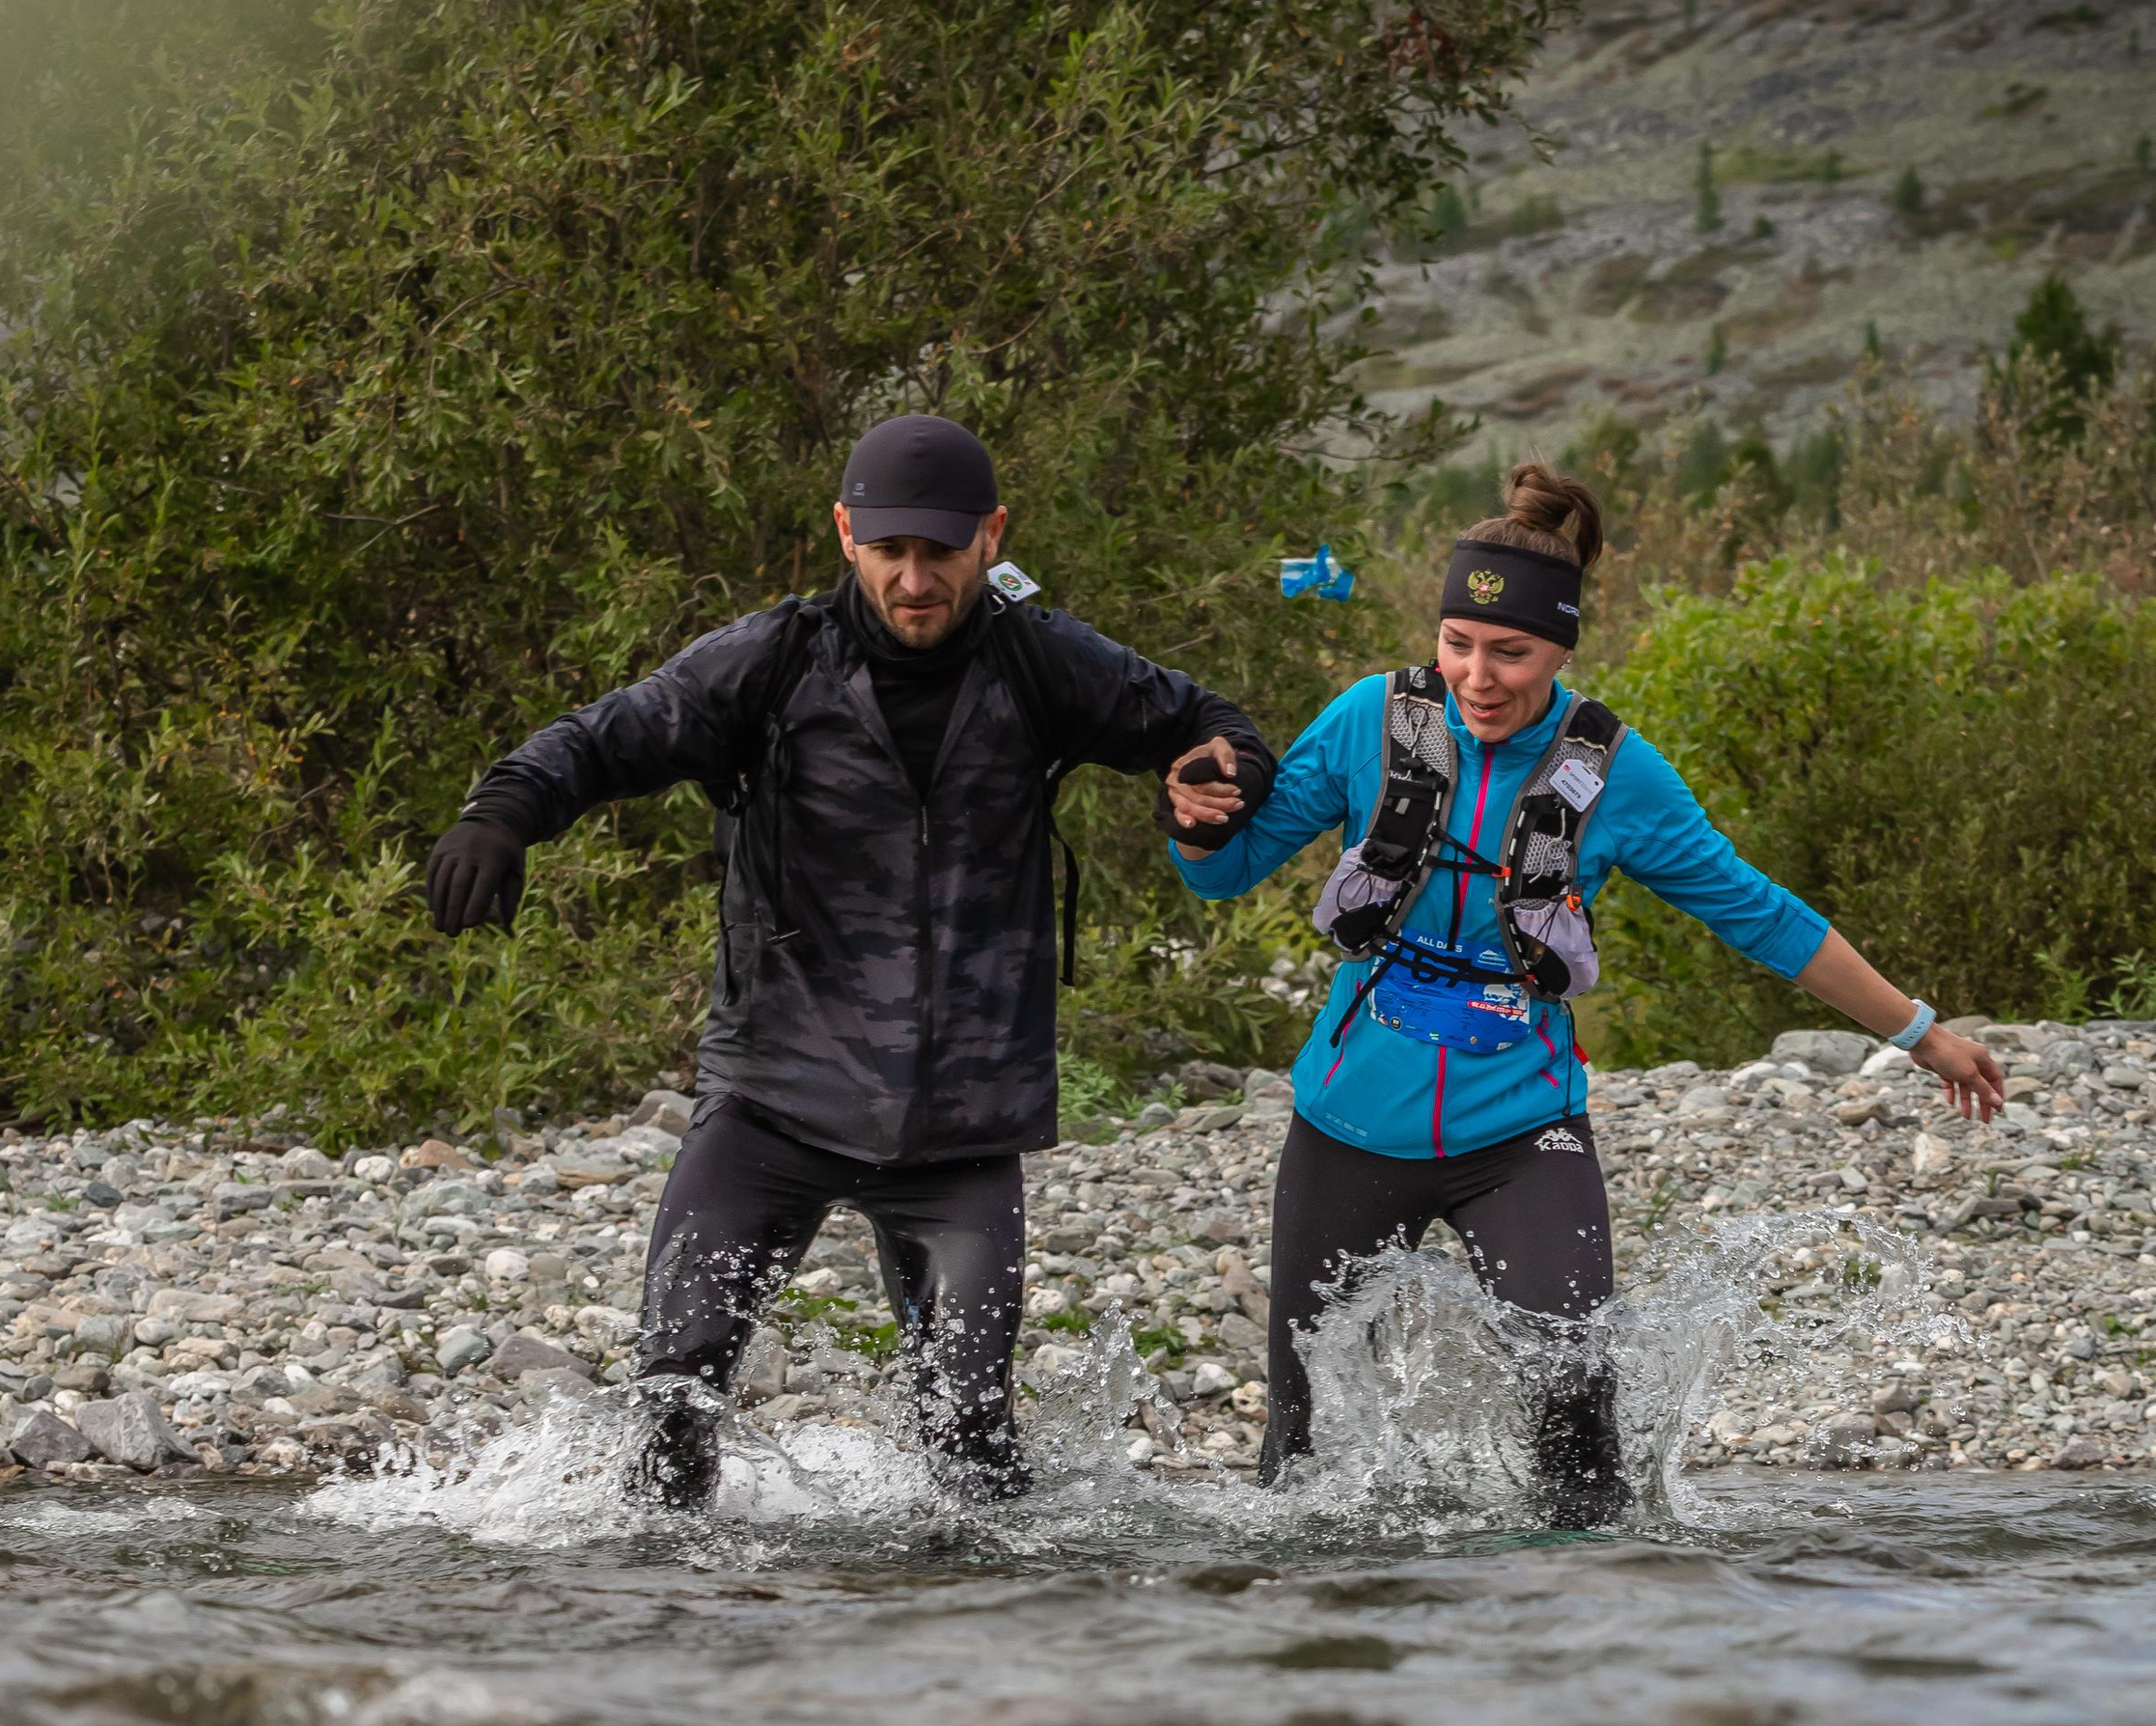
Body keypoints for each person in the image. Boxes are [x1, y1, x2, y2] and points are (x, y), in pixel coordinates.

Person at [428, 414, 1272, 1504]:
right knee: (674, 1404)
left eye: (941, 551)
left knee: (971, 1444)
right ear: (845, 535)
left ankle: (963, 1657)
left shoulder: (1042, 659)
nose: (915, 579)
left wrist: (1212, 781)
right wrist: (499, 815)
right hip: (772, 1103)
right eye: (890, 552)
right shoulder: (771, 660)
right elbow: (605, 736)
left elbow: (1210, 728)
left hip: (962, 1128)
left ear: (991, 535)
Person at [1164, 459, 2004, 1521]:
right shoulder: (1366, 722)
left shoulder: (1616, 774)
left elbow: (1758, 914)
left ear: (1562, 649)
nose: (1477, 676)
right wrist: (1195, 826)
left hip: (1524, 1131)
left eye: (1510, 653)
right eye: (1456, 645)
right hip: (1346, 1120)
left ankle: (1587, 1648)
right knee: (1303, 1442)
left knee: (1577, 1430)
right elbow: (1226, 869)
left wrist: (1919, 1032)